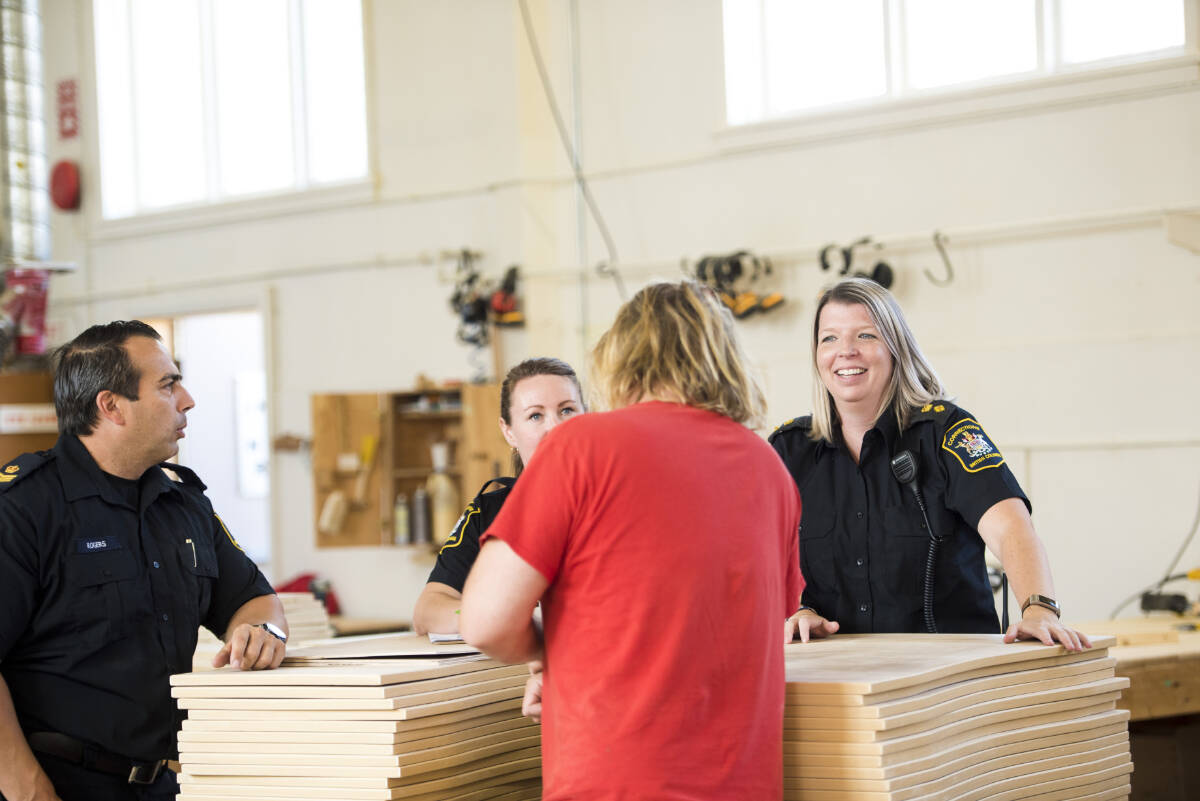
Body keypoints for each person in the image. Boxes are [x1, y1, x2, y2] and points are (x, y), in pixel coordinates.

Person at [460, 280, 803, 801]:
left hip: (618, 781)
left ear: (620, 354)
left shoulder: (580, 447)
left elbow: (484, 621)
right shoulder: (768, 468)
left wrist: (553, 654)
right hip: (743, 783)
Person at [0, 321, 288, 801]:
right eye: (168, 385)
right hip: (56, 784)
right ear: (111, 406)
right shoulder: (25, 507)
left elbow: (255, 599)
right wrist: (27, 789)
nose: (187, 399)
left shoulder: (183, 505)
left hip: (163, 783)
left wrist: (262, 632)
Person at [770, 277, 1089, 651]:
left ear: (895, 348)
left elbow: (1010, 529)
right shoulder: (789, 451)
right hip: (838, 680)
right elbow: (757, 559)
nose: (846, 352)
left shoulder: (946, 432)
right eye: (830, 339)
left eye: (865, 336)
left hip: (950, 679)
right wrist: (795, 610)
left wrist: (1039, 609)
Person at [412, 357, 584, 635]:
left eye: (566, 410)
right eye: (535, 416)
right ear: (509, 432)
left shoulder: (615, 501)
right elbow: (427, 611)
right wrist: (496, 618)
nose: (554, 427)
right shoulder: (488, 513)